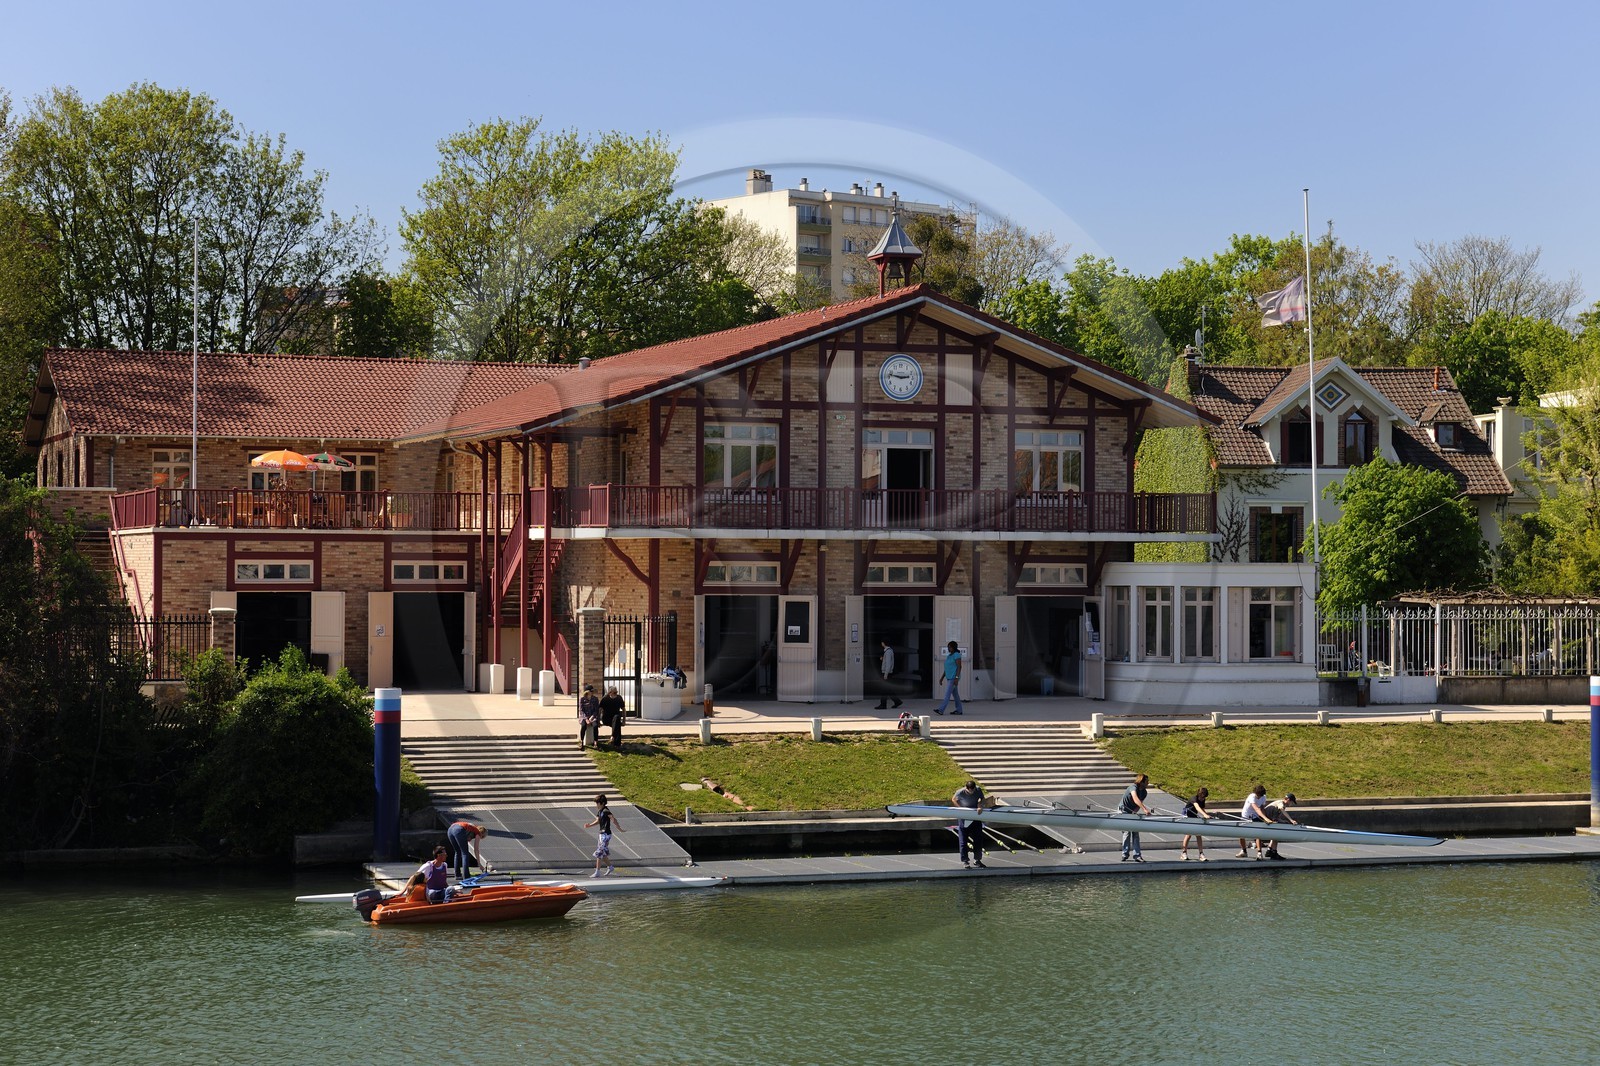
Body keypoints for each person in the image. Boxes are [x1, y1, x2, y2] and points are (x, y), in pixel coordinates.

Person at [584, 794, 624, 877]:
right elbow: (598, 821)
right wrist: (590, 825)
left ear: (601, 803)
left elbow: (612, 818)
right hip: (601, 834)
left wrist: (619, 827)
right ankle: (610, 867)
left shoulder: (606, 810)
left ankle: (597, 872)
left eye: (597, 803)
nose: (596, 805)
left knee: (599, 852)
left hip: (606, 834)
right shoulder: (600, 811)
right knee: (603, 853)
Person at [1117, 772, 1154, 862]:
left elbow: (1138, 804)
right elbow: (1135, 798)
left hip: (1132, 811)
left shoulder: (1144, 792)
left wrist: (1135, 812)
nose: (1148, 783)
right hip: (1123, 810)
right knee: (1127, 832)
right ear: (1141, 781)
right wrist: (1145, 809)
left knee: (1135, 832)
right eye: (1147, 781)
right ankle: (1125, 854)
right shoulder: (1133, 787)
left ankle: (1137, 855)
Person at [952, 780, 987, 868]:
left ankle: (977, 860)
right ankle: (965, 861)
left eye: (973, 790)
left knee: (978, 840)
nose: (971, 792)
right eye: (969, 791)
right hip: (964, 818)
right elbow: (953, 799)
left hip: (975, 816)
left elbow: (982, 799)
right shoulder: (960, 792)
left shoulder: (978, 790)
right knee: (963, 841)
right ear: (966, 788)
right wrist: (960, 809)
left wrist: (979, 806)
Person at [1260, 793, 1299, 860]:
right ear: (1288, 800)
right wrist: (1291, 820)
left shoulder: (1281, 804)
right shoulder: (1281, 803)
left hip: (1270, 818)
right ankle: (1274, 853)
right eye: (1292, 802)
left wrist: (1285, 822)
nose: (1291, 804)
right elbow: (1282, 810)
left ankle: (1269, 850)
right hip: (1267, 819)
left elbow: (1278, 817)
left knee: (1276, 833)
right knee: (1277, 834)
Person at [1180, 786, 1215, 861]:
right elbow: (1197, 807)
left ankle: (1201, 853)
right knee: (1189, 834)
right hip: (1187, 816)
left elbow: (1202, 808)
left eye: (1204, 797)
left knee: (1198, 834)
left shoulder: (1202, 799)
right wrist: (1204, 815)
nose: (1203, 799)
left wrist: (1207, 815)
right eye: (1202, 797)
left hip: (1194, 816)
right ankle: (1184, 853)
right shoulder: (1194, 798)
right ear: (1199, 795)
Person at [1237, 784, 1269, 859]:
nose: (1259, 797)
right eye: (1258, 795)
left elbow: (1262, 808)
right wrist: (1265, 818)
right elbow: (1256, 808)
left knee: (1257, 834)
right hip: (1246, 816)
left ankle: (1259, 853)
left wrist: (1265, 818)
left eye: (1260, 796)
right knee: (1241, 835)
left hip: (1256, 816)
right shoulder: (1252, 796)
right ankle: (1243, 851)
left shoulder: (1263, 797)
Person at [933, 641, 965, 715]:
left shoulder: (957, 655)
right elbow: (947, 669)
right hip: (949, 677)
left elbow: (959, 667)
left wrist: (957, 678)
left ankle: (941, 710)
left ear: (954, 647)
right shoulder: (949, 656)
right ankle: (959, 710)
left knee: (947, 694)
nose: (949, 648)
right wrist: (942, 678)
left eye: (950, 647)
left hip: (953, 678)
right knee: (955, 695)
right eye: (948, 647)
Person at [875, 639, 903, 710]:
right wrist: (883, 659)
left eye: (882, 642)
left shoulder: (888, 652)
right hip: (887, 673)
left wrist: (885, 674)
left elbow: (888, 664)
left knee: (884, 689)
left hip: (886, 673)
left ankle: (883, 704)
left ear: (884, 643)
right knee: (888, 689)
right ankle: (897, 701)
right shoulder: (888, 651)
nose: (881, 643)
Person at [577, 684, 601, 750]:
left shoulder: (595, 699)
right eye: (591, 691)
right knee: (583, 726)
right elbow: (581, 711)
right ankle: (581, 741)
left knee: (595, 726)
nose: (592, 692)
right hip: (584, 717)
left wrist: (592, 717)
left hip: (593, 717)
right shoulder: (582, 699)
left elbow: (596, 710)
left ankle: (595, 742)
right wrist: (586, 719)